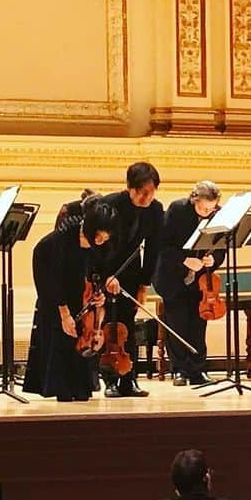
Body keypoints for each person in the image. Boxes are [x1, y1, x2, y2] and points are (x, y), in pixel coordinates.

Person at [23, 194, 118, 403]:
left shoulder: (101, 244)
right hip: (55, 296)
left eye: (106, 238)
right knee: (62, 339)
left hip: (82, 299)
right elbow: (53, 281)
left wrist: (100, 292)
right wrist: (64, 313)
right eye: (100, 236)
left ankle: (82, 384)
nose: (102, 241)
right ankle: (61, 387)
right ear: (91, 228)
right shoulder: (59, 242)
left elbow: (101, 271)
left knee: (82, 383)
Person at [101, 162, 164, 398]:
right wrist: (105, 275)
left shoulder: (156, 211)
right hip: (106, 270)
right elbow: (99, 246)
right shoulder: (109, 205)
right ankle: (109, 379)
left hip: (131, 272)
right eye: (142, 193)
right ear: (130, 188)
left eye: (151, 193)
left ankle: (129, 379)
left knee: (128, 326)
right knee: (108, 325)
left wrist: (144, 285)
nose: (147, 198)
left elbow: (154, 250)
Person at [154, 180, 224, 386]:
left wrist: (214, 260)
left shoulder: (216, 215)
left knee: (198, 323)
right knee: (177, 323)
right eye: (203, 208)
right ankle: (179, 370)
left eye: (211, 208)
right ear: (194, 200)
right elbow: (162, 245)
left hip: (200, 281)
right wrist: (184, 260)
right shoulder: (177, 210)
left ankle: (197, 369)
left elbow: (221, 246)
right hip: (173, 277)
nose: (207, 212)